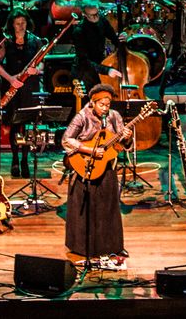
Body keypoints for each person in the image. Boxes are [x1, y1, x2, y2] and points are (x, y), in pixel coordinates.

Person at [62, 83, 132, 266]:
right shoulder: (82, 116)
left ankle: (112, 246)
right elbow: (66, 140)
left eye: (108, 105)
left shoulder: (114, 116)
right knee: (85, 208)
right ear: (93, 102)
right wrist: (89, 150)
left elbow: (121, 144)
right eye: (102, 105)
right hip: (84, 166)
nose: (105, 108)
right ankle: (82, 247)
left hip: (107, 167)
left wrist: (127, 138)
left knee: (108, 208)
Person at [0, 9, 44, 178]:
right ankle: (15, 159)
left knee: (28, 125)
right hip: (13, 86)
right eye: (17, 23)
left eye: (23, 22)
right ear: (12, 25)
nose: (21, 26)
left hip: (30, 86)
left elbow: (42, 63)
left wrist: (36, 70)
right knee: (15, 124)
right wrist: (11, 79)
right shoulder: (6, 41)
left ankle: (24, 160)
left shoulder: (35, 41)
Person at [71, 0, 122, 94]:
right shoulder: (79, 31)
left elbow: (114, 38)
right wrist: (106, 70)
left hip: (100, 65)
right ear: (84, 14)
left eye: (97, 13)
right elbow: (84, 60)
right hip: (85, 72)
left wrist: (121, 39)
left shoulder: (102, 21)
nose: (96, 17)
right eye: (92, 15)